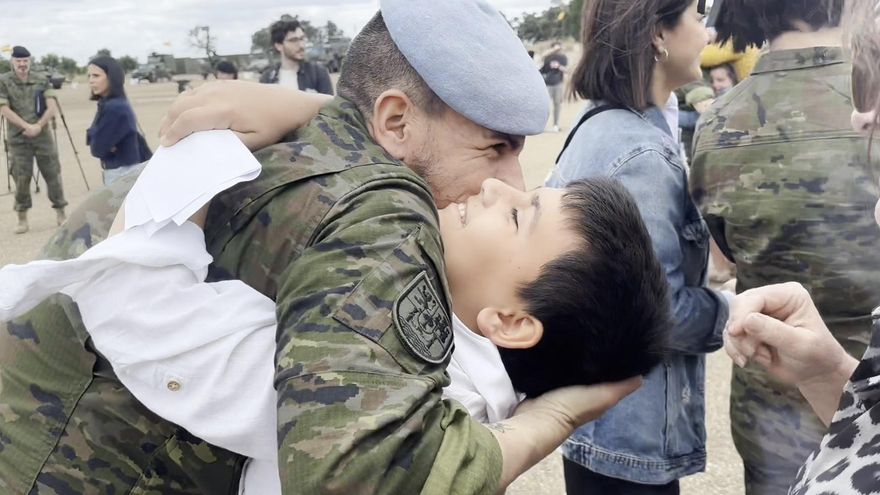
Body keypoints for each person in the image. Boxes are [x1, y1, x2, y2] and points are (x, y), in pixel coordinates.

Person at [0, 2, 642, 493]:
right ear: (393, 122)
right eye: (495, 149)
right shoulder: (387, 212)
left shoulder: (292, 139)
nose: (509, 184)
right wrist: (542, 426)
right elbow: (362, 472)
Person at [0, 153, 671, 493]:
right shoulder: (449, 382)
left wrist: (196, 167)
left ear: (510, 322)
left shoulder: (384, 377)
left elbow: (158, 333)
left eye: (521, 213)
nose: (496, 186)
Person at [689, 1, 880, 492]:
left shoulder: (717, 123)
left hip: (770, 406)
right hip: (869, 396)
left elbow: (725, 259)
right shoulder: (871, 101)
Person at [544, 0, 729, 493]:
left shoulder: (600, 124)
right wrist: (735, 312)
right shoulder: (640, 152)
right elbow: (655, 313)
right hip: (629, 433)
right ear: (657, 34)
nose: (707, 33)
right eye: (697, 15)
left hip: (597, 420)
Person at [0, 45, 67, 234]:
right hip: (18, 138)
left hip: (42, 136)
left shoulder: (41, 79)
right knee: (21, 177)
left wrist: (38, 126)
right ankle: (22, 218)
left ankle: (61, 212)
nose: (22, 64)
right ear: (12, 62)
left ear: (30, 61)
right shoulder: (4, 81)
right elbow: (4, 108)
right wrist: (26, 126)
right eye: (19, 61)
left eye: (25, 61)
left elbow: (52, 105)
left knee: (52, 173)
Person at [86, 56, 150, 185]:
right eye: (89, 76)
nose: (91, 81)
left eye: (96, 76)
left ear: (111, 77)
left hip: (122, 173)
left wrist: (94, 135)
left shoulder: (115, 108)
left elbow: (97, 149)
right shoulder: (108, 104)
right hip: (123, 169)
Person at [259, 18, 333, 94]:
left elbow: (330, 104)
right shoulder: (268, 78)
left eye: (302, 39)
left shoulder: (317, 73)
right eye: (293, 40)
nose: (301, 45)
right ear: (279, 46)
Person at [540, 41, 567, 132]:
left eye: (559, 48)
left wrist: (559, 66)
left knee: (557, 105)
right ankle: (542, 125)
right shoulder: (547, 57)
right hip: (547, 84)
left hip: (558, 84)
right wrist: (553, 50)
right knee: (545, 105)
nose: (558, 50)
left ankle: (556, 125)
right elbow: (542, 57)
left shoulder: (563, 58)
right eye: (556, 48)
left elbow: (566, 70)